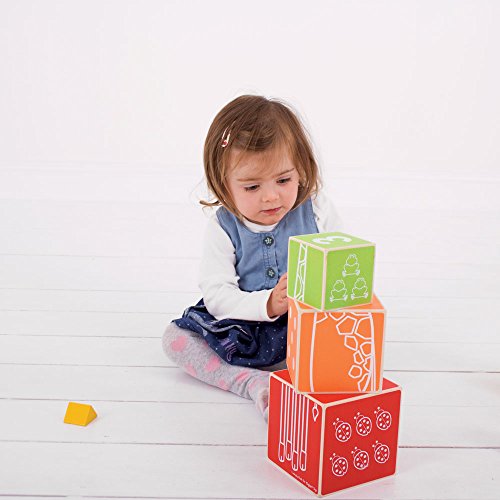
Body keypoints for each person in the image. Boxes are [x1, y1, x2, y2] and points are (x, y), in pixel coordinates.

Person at [162, 95, 341, 421]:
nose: (271, 196)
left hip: (305, 325)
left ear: (301, 170)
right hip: (245, 325)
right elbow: (217, 295)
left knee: (348, 330)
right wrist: (268, 304)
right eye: (252, 187)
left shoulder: (316, 209)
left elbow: (343, 264)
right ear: (224, 185)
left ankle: (310, 378)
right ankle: (251, 381)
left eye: (284, 180)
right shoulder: (224, 226)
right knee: (176, 339)